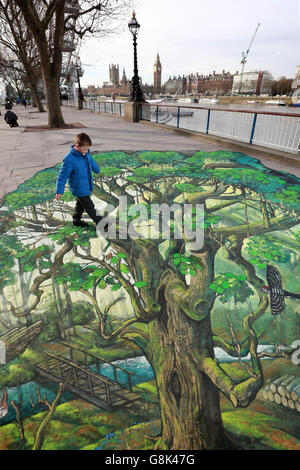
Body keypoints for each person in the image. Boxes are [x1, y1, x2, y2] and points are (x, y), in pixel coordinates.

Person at [55, 133, 107, 229]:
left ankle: (76, 219)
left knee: (80, 204)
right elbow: (62, 176)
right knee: (89, 206)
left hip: (86, 184)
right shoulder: (69, 159)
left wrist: (97, 170)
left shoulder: (86, 154)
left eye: (88, 149)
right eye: (84, 149)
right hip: (78, 187)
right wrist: (59, 190)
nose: (86, 151)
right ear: (77, 146)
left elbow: (91, 162)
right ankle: (100, 222)